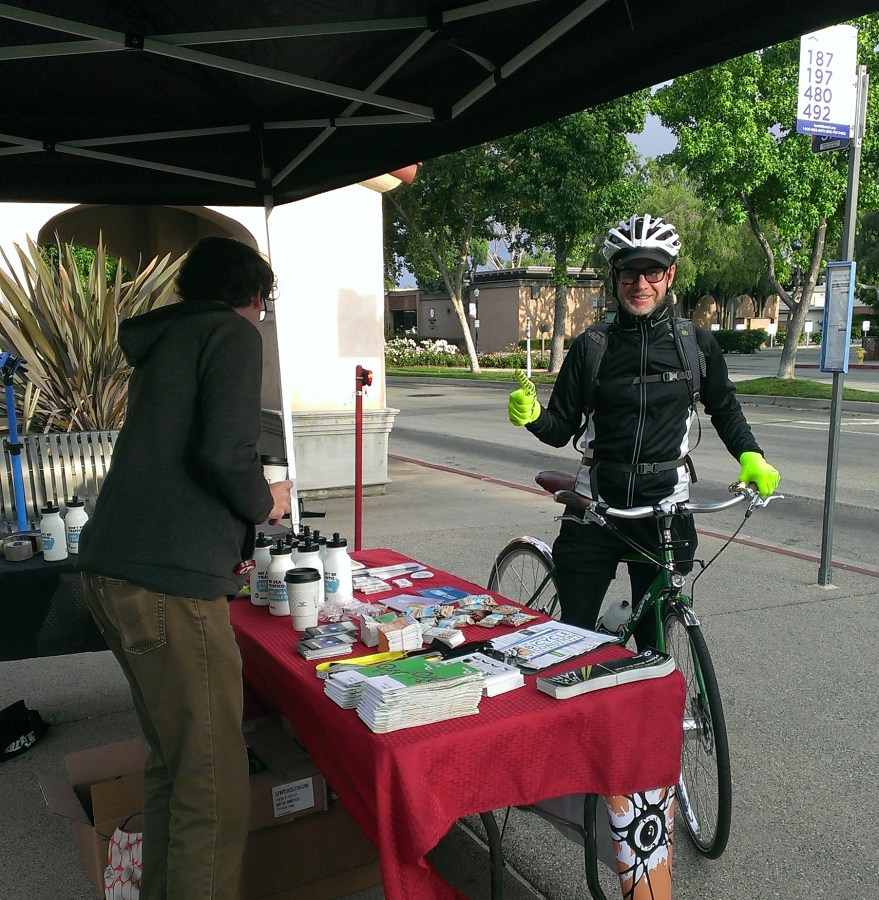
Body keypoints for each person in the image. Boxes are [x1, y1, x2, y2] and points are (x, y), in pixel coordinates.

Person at [78, 236, 293, 900]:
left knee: (176, 765)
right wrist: (267, 501)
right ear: (253, 295)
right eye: (264, 304)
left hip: (114, 569)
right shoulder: (231, 333)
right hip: (169, 581)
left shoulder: (169, 337)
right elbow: (225, 452)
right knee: (214, 785)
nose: (261, 315)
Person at [508, 213, 780, 648]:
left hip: (664, 512)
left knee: (654, 644)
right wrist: (534, 416)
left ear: (669, 275)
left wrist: (751, 455)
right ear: (614, 277)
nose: (640, 284)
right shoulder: (592, 346)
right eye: (629, 272)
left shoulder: (695, 345)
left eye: (652, 271)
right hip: (596, 507)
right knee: (572, 641)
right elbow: (560, 429)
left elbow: (725, 407)